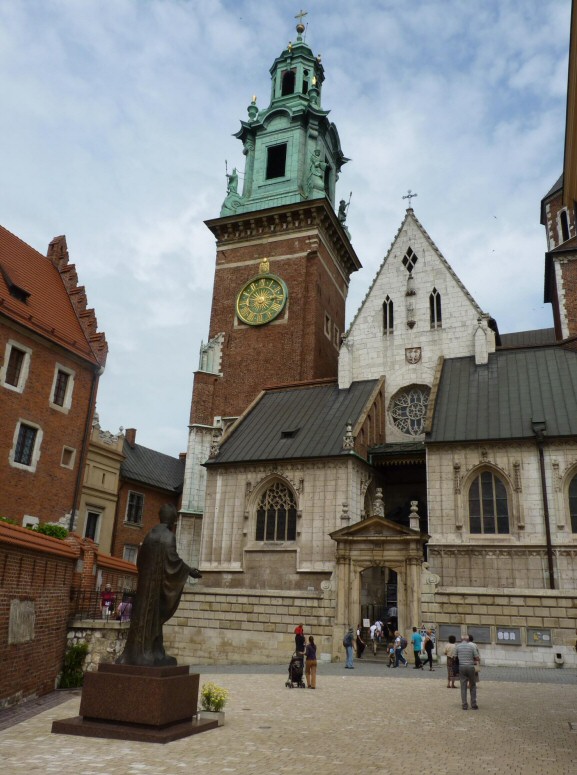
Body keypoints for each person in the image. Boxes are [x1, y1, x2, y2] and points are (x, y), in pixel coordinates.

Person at [116, 503, 202, 666]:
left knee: (145, 618)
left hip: (144, 587)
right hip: (155, 588)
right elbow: (173, 560)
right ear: (172, 520)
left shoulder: (149, 535)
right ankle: (148, 654)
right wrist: (190, 571)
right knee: (153, 618)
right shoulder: (168, 536)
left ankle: (148, 652)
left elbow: (140, 560)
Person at [454, 634, 480, 710]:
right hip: (471, 667)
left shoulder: (457, 646)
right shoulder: (472, 646)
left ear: (461, 640)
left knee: (463, 686)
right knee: (473, 685)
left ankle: (464, 705)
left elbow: (454, 657)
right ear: (468, 640)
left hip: (461, 667)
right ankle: (473, 704)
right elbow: (477, 658)